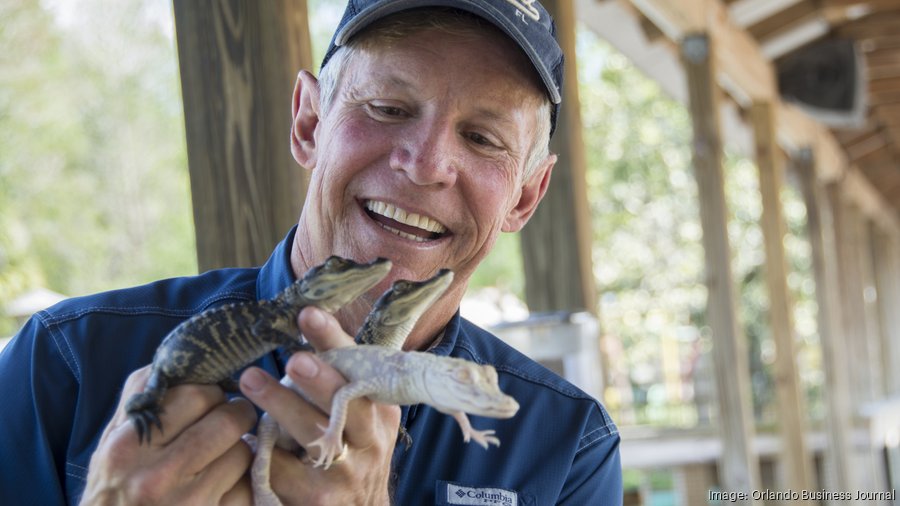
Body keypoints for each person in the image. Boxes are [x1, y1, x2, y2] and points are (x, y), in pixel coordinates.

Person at [0, 0, 623, 504]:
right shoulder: (65, 362)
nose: (427, 164)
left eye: (484, 138)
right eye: (387, 107)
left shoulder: (567, 449)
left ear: (525, 197)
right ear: (308, 123)